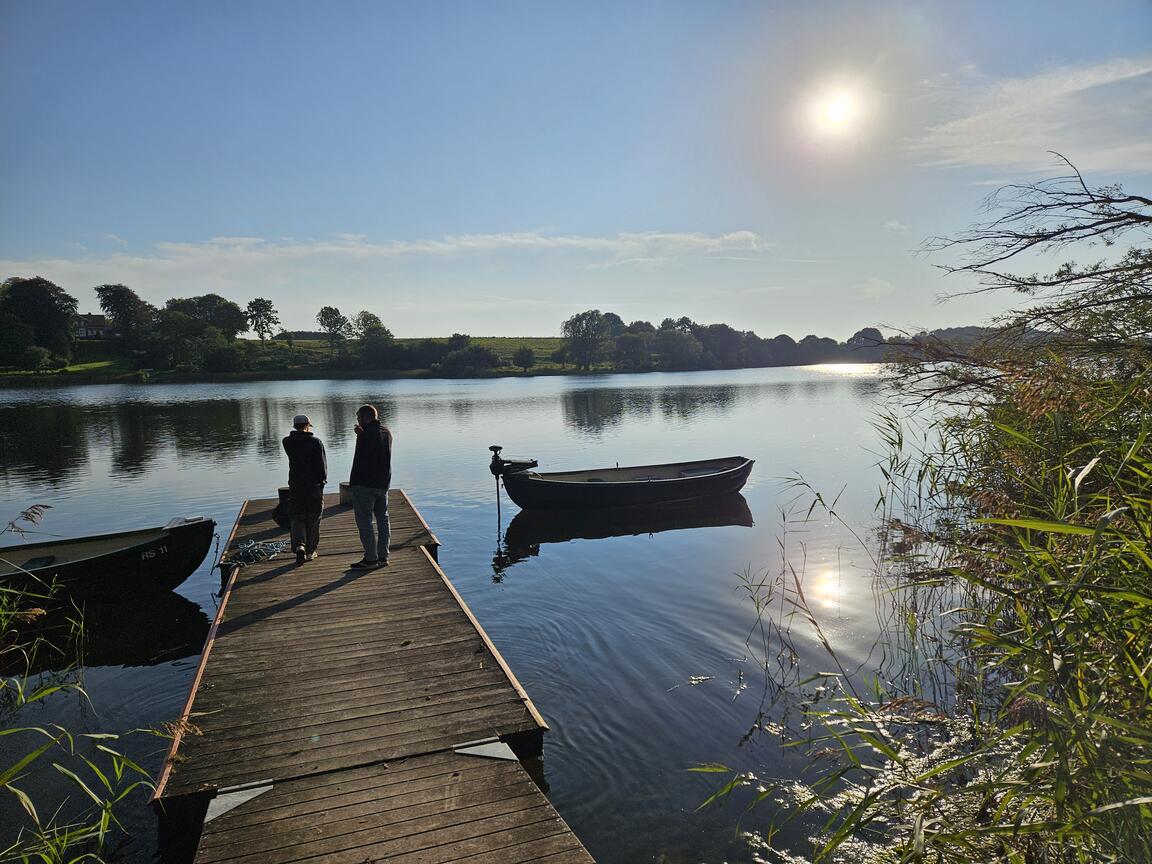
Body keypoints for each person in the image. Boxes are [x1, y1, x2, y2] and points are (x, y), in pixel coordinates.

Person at [349, 403, 392, 569]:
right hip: (383, 483)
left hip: (364, 484)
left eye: (359, 418)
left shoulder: (365, 434)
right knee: (383, 519)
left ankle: (371, 559)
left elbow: (364, 455)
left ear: (366, 417)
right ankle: (383, 556)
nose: (358, 421)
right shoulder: (387, 432)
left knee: (365, 521)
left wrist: (360, 435)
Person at [282, 413, 327, 565]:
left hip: (295, 486)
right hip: (313, 486)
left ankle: (299, 545)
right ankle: (310, 551)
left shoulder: (287, 441)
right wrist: (322, 482)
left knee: (297, 517)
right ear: (308, 425)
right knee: (313, 518)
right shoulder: (316, 442)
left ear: (294, 426)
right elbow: (322, 465)